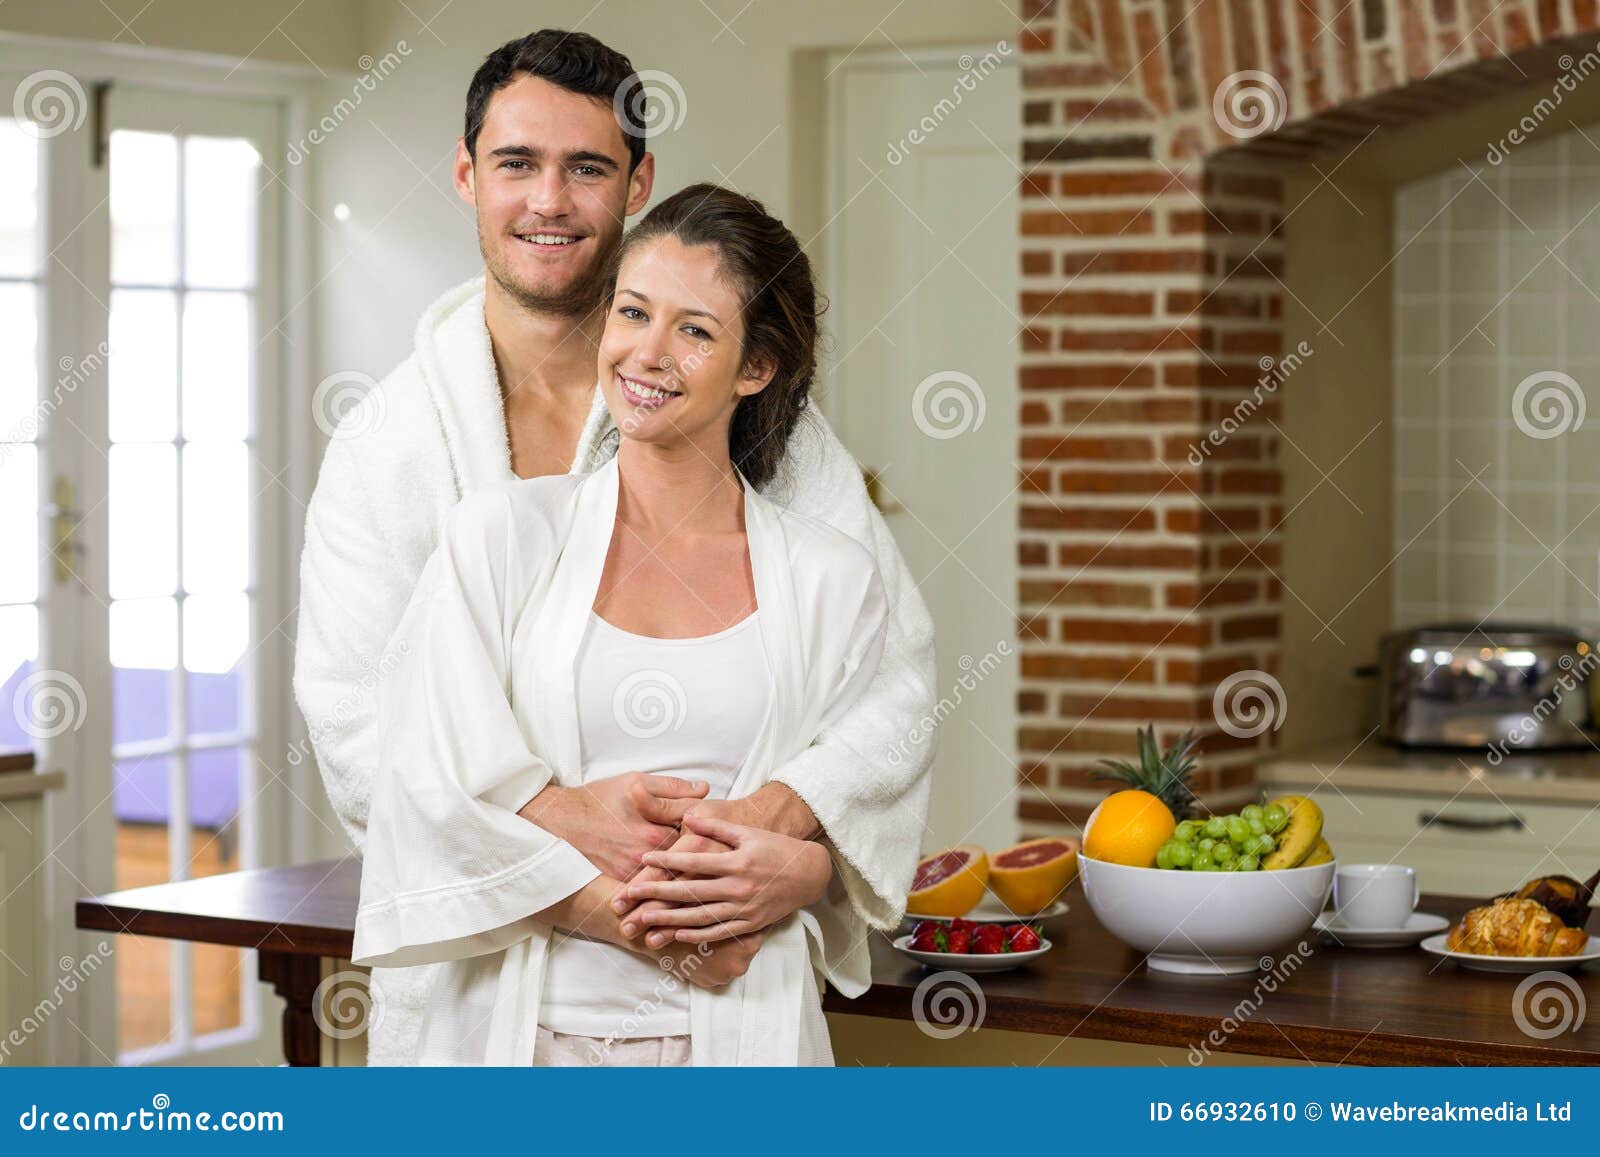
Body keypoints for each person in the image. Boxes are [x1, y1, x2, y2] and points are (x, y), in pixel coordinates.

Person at [293, 29, 937, 1065]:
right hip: (490, 995)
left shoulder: (760, 426)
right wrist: (580, 867)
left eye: (587, 167)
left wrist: (792, 828)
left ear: (638, 182)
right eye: (516, 163)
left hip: (735, 993)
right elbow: (359, 723)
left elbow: (891, 675)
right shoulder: (389, 446)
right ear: (465, 173)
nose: (549, 201)